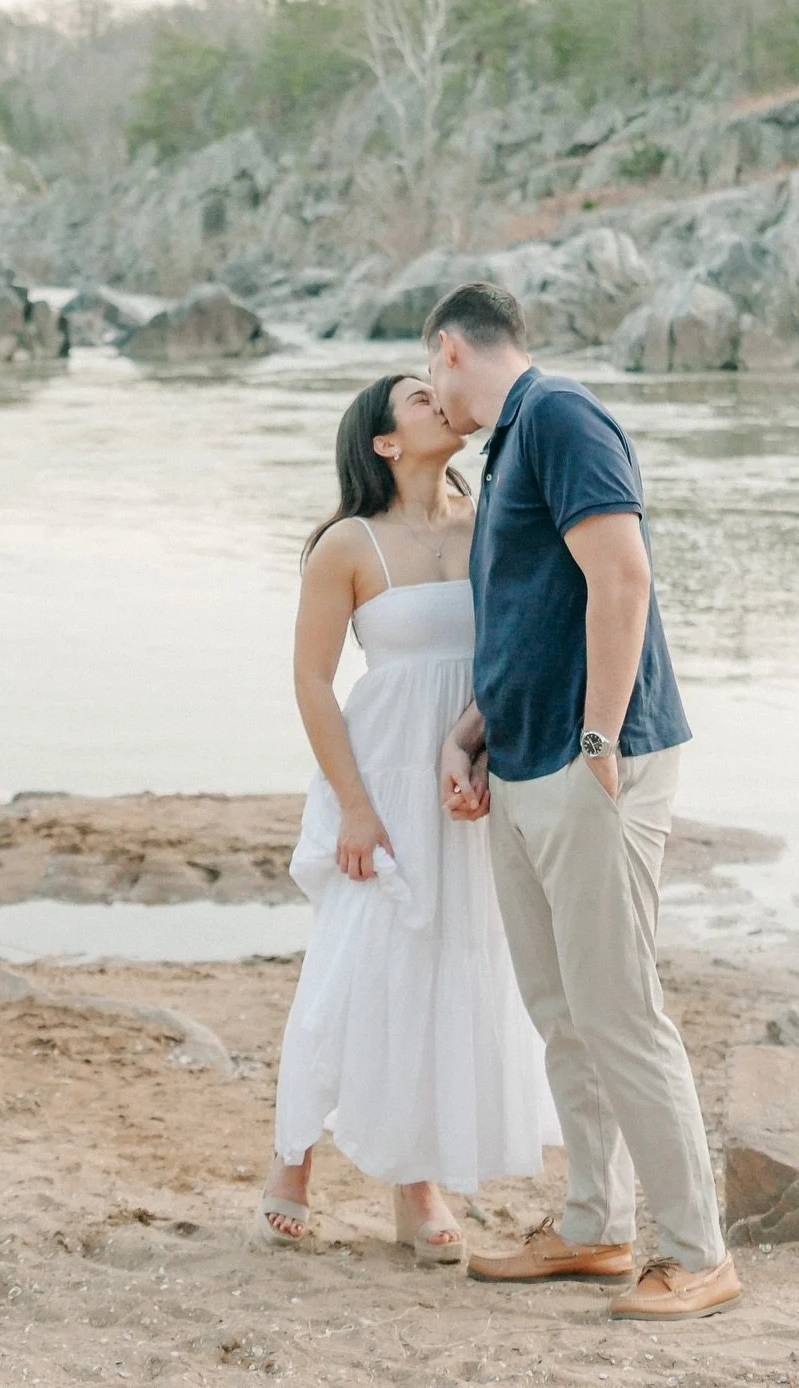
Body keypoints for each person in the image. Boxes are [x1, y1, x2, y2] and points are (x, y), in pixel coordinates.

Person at [425, 283, 740, 1321]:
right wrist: (470, 735)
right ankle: (596, 1225)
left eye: (429, 372)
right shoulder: (508, 445)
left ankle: (696, 1252)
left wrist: (600, 736)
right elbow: (528, 621)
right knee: (562, 1013)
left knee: (620, 1011)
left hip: (591, 762)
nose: (432, 393)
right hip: (524, 762)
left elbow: (623, 579)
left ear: (449, 350)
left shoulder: (561, 416)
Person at [258, 373, 556, 1263]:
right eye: (419, 398)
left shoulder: (489, 521)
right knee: (355, 966)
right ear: (384, 443)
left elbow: (517, 647)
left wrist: (488, 752)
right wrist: (354, 807)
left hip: (468, 776)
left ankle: (416, 1184)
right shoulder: (347, 545)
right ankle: (292, 1157)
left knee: (450, 965)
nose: (439, 401)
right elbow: (312, 680)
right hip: (382, 778)